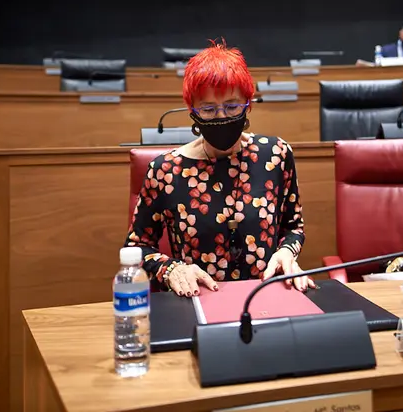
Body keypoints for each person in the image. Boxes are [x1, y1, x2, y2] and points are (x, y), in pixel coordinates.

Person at [124, 39, 315, 297]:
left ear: (249, 104)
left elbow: (294, 227)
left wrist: (285, 253)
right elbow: (138, 247)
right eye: (209, 109)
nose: (222, 117)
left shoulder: (276, 154)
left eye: (232, 106)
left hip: (266, 297)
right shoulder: (165, 170)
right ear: (192, 111)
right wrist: (173, 270)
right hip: (199, 302)